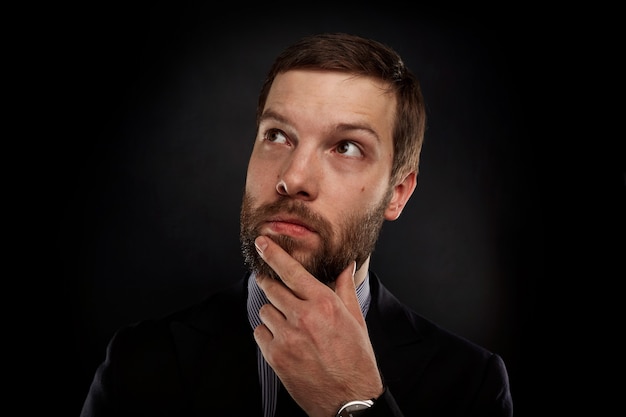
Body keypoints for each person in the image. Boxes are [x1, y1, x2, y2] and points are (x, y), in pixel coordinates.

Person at [80, 32, 513, 417]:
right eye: (277, 136)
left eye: (346, 147)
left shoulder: (471, 384)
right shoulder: (139, 362)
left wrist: (354, 403)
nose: (293, 179)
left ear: (397, 193)